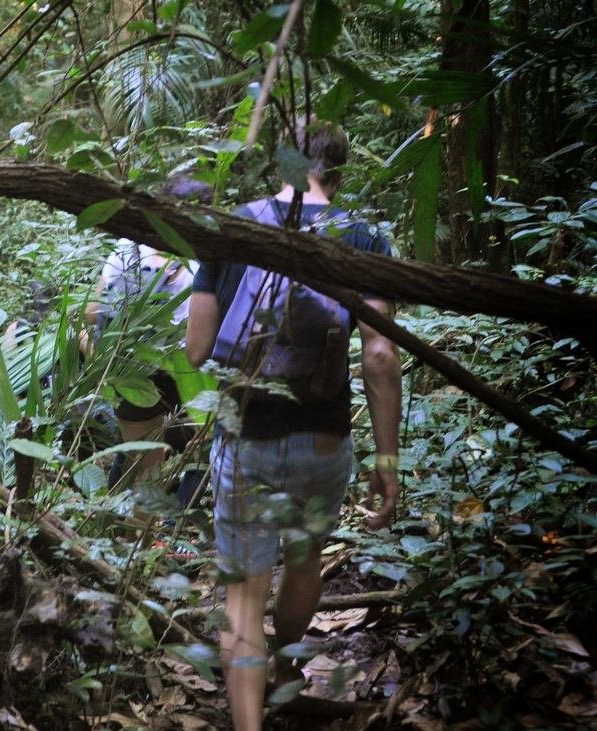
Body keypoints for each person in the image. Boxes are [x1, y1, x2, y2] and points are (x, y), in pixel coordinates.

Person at [184, 119, 402, 731]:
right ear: (337, 173)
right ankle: (283, 667)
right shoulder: (362, 236)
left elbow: (198, 349)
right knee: (305, 558)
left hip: (245, 438)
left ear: (279, 165)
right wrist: (388, 462)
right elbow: (380, 356)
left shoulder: (233, 227)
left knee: (244, 597)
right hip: (324, 439)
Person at [85, 176, 211, 493]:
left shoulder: (126, 247)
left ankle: (109, 530)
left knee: (138, 458)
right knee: (181, 464)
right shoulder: (200, 263)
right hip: (183, 375)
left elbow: (91, 311)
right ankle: (157, 534)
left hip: (126, 369)